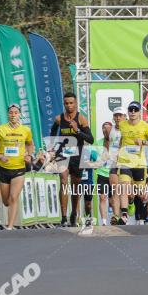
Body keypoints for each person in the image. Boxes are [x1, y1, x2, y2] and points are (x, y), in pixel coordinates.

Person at [0, 104, 35, 230]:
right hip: (4, 168)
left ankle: (10, 226)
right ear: (8, 115)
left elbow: (31, 145)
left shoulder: (26, 130)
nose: (13, 115)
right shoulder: (1, 129)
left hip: (19, 169)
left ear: (19, 114)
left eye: (15, 112)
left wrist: (29, 156)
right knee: (6, 201)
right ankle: (9, 221)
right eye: (11, 113)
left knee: (14, 197)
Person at [50, 92, 94, 227]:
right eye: (66, 103)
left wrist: (77, 130)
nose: (69, 105)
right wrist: (52, 148)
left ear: (75, 103)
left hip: (77, 155)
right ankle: (63, 217)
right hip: (63, 154)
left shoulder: (81, 119)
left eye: (71, 103)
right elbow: (52, 132)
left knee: (75, 187)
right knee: (63, 182)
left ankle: (74, 213)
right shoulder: (59, 119)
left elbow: (90, 139)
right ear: (64, 104)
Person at [115, 101, 148, 225]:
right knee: (124, 186)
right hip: (124, 161)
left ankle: (137, 203)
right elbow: (122, 139)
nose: (133, 112)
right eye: (131, 110)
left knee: (141, 194)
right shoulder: (122, 124)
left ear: (140, 112)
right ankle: (124, 215)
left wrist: (144, 143)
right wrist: (118, 152)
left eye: (135, 110)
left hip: (139, 163)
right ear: (128, 112)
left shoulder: (145, 126)